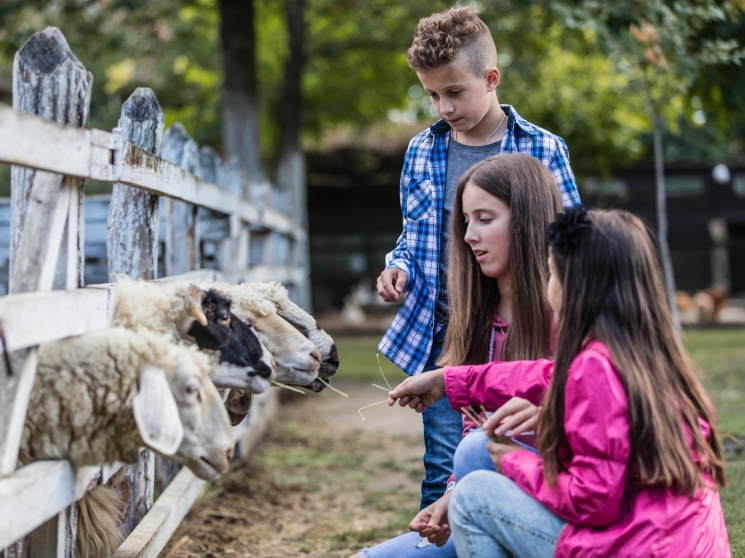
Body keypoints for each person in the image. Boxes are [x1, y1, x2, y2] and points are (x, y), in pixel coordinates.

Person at [388, 208, 731, 557]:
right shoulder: (647, 356)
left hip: (639, 546)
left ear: (575, 287)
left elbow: (594, 500)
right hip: (675, 541)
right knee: (476, 454)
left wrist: (514, 461)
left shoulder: (596, 366)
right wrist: (448, 380)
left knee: (474, 496)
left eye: (552, 274)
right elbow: (536, 376)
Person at [375, 5, 581, 513]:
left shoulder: (541, 147)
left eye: (454, 91)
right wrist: (398, 264)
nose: (442, 106)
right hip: (449, 332)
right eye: (431, 94)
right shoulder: (422, 150)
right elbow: (413, 232)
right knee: (444, 461)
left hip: (522, 327)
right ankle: (440, 539)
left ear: (491, 79)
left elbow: (573, 236)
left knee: (512, 448)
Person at [351, 153, 562, 558]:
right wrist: (450, 497)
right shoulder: (475, 322)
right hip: (487, 499)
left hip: (561, 509)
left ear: (528, 221)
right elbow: (474, 427)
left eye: (484, 219)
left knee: (476, 450)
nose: (468, 235)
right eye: (465, 221)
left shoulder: (570, 315)